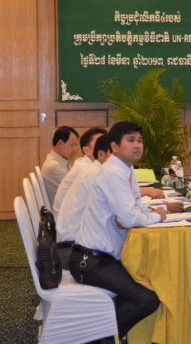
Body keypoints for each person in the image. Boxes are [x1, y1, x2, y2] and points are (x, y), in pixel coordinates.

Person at [70, 122, 165, 341]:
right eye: (131, 140)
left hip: (104, 258)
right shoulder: (112, 173)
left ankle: (105, 336)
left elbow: (132, 210)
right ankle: (96, 337)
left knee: (147, 286)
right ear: (114, 146)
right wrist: (158, 216)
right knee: (147, 299)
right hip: (88, 262)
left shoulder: (125, 170)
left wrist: (146, 214)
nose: (138, 145)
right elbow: (129, 218)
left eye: (139, 140)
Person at [53, 127, 107, 216]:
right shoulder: (86, 168)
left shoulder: (84, 163)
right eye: (99, 143)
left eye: (106, 143)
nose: (105, 147)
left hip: (69, 216)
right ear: (86, 150)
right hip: (69, 220)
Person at [41, 126, 79, 209]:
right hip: (62, 211)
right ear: (60, 143)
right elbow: (77, 191)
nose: (75, 150)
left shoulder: (60, 161)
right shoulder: (54, 166)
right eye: (72, 145)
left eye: (75, 146)